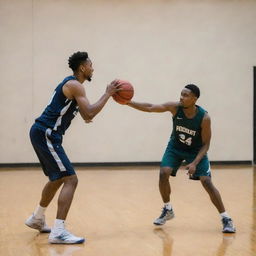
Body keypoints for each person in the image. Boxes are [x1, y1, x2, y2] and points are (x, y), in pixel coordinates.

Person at [25, 51, 120, 244]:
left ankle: (37, 217)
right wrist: (108, 94)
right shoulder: (75, 85)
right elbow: (90, 113)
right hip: (47, 133)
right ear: (83, 67)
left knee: (58, 178)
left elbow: (86, 116)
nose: (93, 68)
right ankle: (58, 231)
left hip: (44, 133)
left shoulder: (73, 85)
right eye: (91, 65)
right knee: (71, 180)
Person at [126, 84, 236, 233]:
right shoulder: (175, 107)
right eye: (181, 94)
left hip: (196, 151)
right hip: (176, 147)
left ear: (194, 99)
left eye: (185, 95)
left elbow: (206, 145)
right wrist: (128, 102)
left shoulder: (204, 117)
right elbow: (151, 107)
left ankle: (226, 218)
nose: (181, 97)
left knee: (207, 182)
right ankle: (168, 209)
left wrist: (195, 163)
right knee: (163, 173)